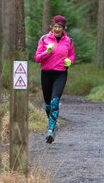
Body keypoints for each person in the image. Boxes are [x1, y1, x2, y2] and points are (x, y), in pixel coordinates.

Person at [35, 15, 75, 143]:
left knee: (54, 102)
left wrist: (70, 61)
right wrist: (46, 52)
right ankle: (54, 123)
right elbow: (37, 58)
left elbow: (72, 54)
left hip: (60, 74)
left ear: (64, 28)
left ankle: (51, 131)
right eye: (55, 26)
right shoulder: (44, 39)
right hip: (46, 73)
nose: (57, 29)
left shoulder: (68, 41)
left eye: (60, 27)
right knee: (47, 105)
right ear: (51, 27)